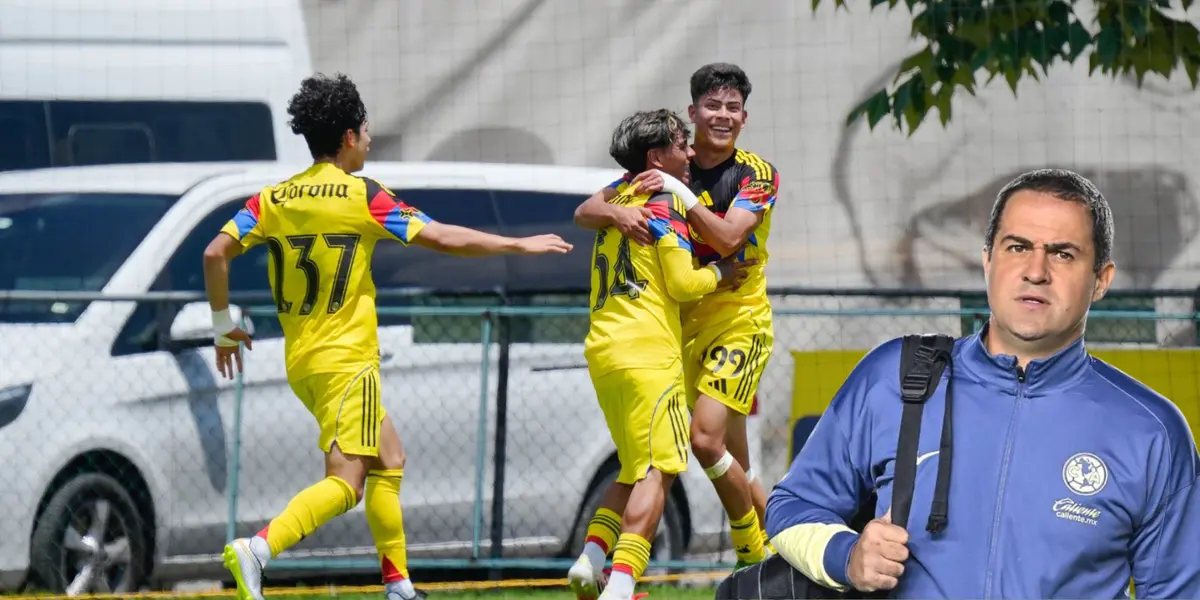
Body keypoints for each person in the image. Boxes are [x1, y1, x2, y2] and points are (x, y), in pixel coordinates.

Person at [201, 73, 573, 600]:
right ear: (350, 136)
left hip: (303, 362)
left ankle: (398, 585)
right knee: (347, 482)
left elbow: (215, 254)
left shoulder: (272, 199)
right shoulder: (362, 196)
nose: (371, 140)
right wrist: (519, 246)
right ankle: (258, 549)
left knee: (389, 457)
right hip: (349, 361)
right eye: (368, 130)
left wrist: (222, 328)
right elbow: (442, 236)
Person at [764, 168, 1200, 598]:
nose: (1036, 271)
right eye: (1017, 247)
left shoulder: (1152, 431)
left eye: (1063, 253)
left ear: (1101, 280)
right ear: (988, 259)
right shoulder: (895, 379)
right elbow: (792, 507)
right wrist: (847, 555)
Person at [572, 62, 778, 571]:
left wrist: (680, 193)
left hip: (738, 321)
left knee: (703, 441)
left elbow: (729, 239)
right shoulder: (670, 165)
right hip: (679, 333)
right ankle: (775, 563)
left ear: (745, 117)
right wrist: (620, 212)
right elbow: (584, 211)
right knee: (730, 464)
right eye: (713, 106)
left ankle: (752, 553)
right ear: (694, 112)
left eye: (733, 108)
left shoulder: (755, 173)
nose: (722, 116)